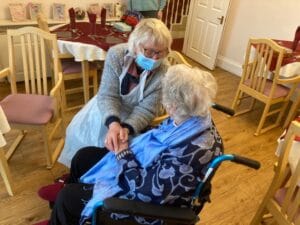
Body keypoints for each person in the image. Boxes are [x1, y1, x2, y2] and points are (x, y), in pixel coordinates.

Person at [35, 64, 224, 225]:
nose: (165, 106)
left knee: (68, 198)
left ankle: (64, 212)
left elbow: (146, 191)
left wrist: (123, 154)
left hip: (147, 204)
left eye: (167, 101)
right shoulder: (191, 117)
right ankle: (64, 213)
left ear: (174, 105)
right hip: (146, 169)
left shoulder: (192, 151)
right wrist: (130, 134)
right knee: (82, 157)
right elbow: (159, 133)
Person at [58, 18, 172, 167]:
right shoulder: (117, 54)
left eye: (160, 52)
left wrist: (126, 129)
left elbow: (147, 109)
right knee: (80, 137)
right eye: (149, 51)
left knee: (118, 154)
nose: (155, 58)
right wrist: (113, 124)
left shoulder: (164, 72)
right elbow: (108, 94)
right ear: (136, 45)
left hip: (134, 117)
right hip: (108, 108)